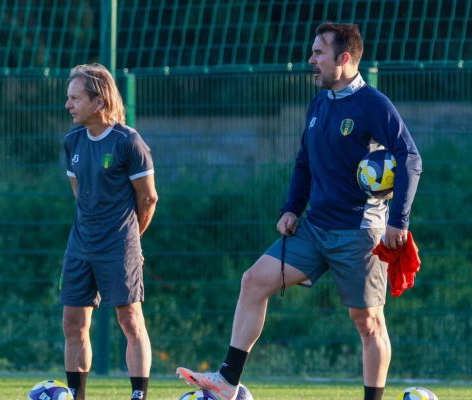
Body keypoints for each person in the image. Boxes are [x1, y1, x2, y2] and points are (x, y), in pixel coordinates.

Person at [177, 22, 421, 400]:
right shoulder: (320, 102)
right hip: (314, 227)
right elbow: (305, 161)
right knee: (254, 281)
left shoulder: (373, 104)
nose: (311, 59)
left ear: (344, 58)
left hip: (359, 232)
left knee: (368, 323)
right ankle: (228, 381)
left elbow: (410, 157)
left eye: (319, 53)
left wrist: (398, 221)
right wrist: (291, 208)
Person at [60, 63, 158, 400]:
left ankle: (138, 395)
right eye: (69, 98)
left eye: (75, 98)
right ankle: (76, 395)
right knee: (73, 322)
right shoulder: (72, 142)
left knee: (130, 320)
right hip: (79, 247)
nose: (68, 105)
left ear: (99, 101)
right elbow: (80, 194)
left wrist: (131, 239)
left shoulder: (128, 142)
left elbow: (148, 198)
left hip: (119, 247)